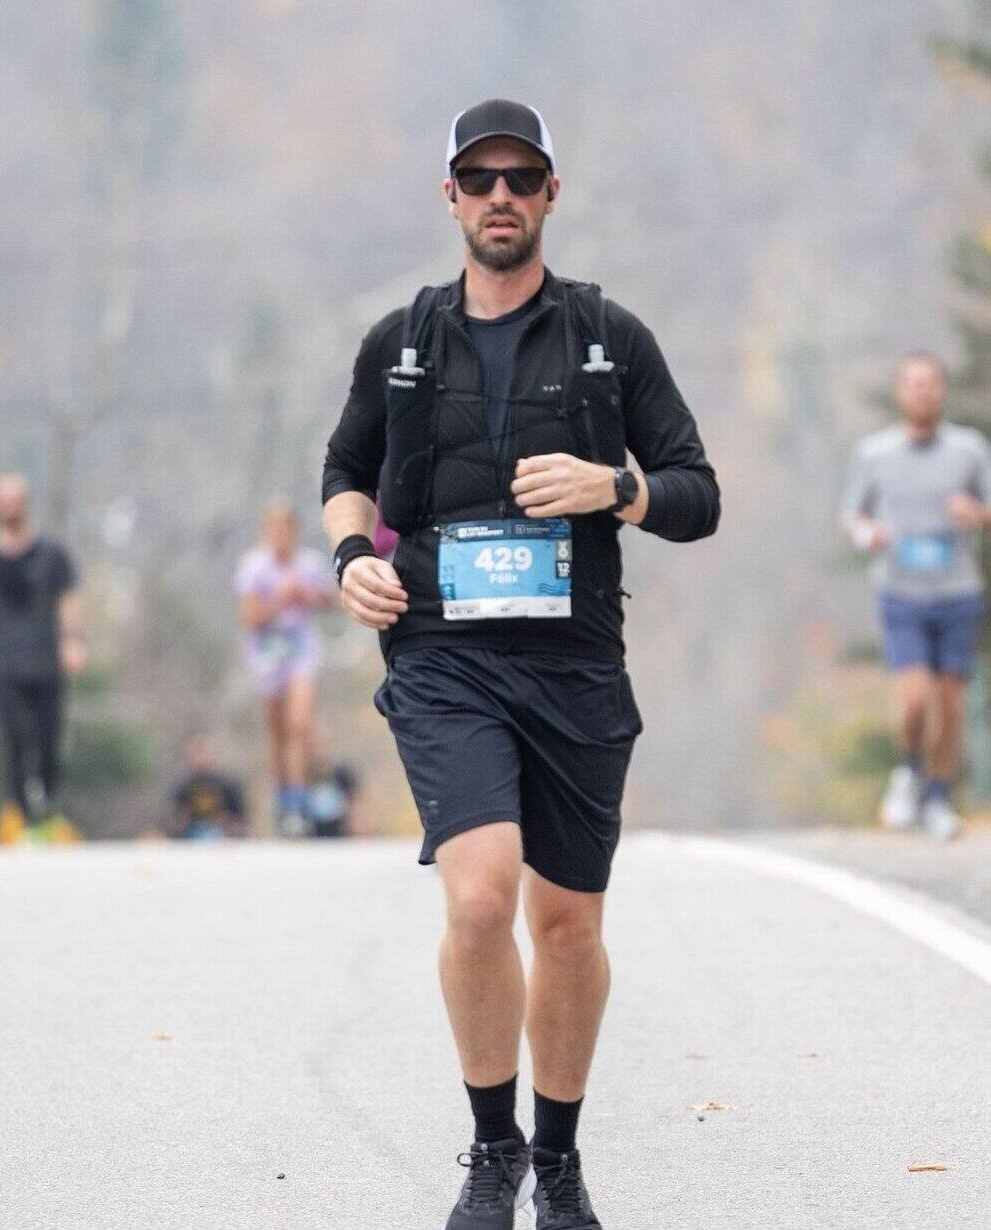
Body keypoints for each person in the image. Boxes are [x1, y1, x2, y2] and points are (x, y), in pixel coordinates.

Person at [322, 99, 719, 1229]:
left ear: (552, 194)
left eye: (521, 177)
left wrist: (619, 488)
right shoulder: (401, 342)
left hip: (577, 666)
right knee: (484, 893)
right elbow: (343, 471)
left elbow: (698, 493)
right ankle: (492, 1151)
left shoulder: (608, 338)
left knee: (568, 927)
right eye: (479, 177)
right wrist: (354, 556)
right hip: (444, 655)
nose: (501, 195)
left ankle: (559, 1160)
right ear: (449, 196)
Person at [842, 352, 991, 840]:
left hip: (957, 590)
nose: (922, 392)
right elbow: (853, 516)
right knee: (914, 701)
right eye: (913, 384)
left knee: (950, 706)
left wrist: (975, 511)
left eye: (930, 384)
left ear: (942, 391)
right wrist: (871, 536)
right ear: (900, 393)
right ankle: (909, 771)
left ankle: (938, 799)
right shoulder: (875, 453)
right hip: (901, 591)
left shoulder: (969, 449)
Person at [0, 473, 86, 844]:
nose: (9, 508)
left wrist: (72, 641)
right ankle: (19, 815)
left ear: (26, 503)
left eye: (15, 501)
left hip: (46, 661)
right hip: (5, 665)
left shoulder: (52, 553)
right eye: (3, 501)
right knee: (16, 739)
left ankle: (47, 813)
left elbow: (69, 599)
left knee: (49, 741)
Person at [235, 503, 335, 836]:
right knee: (278, 732)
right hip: (267, 652)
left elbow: (331, 600)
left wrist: (310, 595)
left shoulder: (309, 563)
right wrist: (280, 597)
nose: (283, 537)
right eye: (276, 530)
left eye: (288, 530)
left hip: (301, 648)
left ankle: (300, 802)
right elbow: (251, 618)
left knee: (300, 723)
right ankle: (285, 800)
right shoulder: (254, 567)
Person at [165, 737, 248, 840]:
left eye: (204, 754)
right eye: (197, 755)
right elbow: (173, 819)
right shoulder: (183, 787)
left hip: (222, 836)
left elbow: (240, 818)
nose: (201, 759)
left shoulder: (227, 785)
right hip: (190, 835)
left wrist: (227, 824)